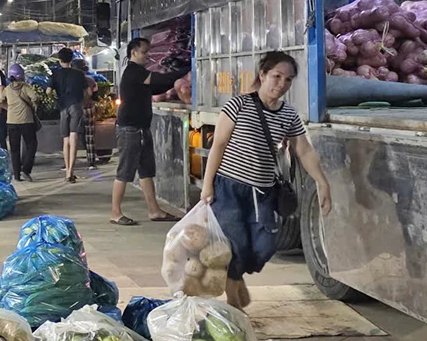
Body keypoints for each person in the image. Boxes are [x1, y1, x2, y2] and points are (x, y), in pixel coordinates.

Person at [201, 51, 332, 310]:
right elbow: (218, 145)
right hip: (230, 188)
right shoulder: (238, 105)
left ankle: (235, 277)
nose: (281, 84)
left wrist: (322, 182)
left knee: (264, 247)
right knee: (235, 244)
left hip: (263, 191)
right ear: (262, 75)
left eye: (288, 80)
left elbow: (303, 149)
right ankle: (233, 303)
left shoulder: (288, 115)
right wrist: (207, 186)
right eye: (276, 76)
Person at [111, 37, 185, 225]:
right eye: (144, 52)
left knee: (146, 171)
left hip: (141, 128)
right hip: (130, 130)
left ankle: (154, 211)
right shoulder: (133, 72)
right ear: (133, 52)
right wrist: (187, 69)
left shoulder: (140, 73)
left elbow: (158, 86)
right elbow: (161, 80)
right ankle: (115, 213)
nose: (148, 56)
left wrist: (177, 78)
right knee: (125, 172)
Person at [47, 47, 89, 183]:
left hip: (62, 107)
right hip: (76, 105)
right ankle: (71, 170)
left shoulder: (55, 74)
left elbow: (48, 91)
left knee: (66, 140)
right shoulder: (79, 74)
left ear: (59, 60)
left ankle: (67, 172)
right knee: (74, 136)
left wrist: (55, 94)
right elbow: (88, 92)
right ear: (72, 59)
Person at [0, 64, 38, 182]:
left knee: (14, 149)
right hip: (27, 122)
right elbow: (35, 98)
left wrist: (9, 108)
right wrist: (33, 107)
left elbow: (1, 102)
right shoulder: (26, 87)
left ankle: (16, 175)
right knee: (31, 145)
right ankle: (26, 169)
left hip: (11, 122)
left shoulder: (7, 89)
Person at [73, 59, 99, 170]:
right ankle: (91, 162)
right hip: (89, 108)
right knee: (89, 136)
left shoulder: (72, 80)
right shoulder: (90, 80)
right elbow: (94, 94)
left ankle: (69, 162)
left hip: (75, 108)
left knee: (72, 135)